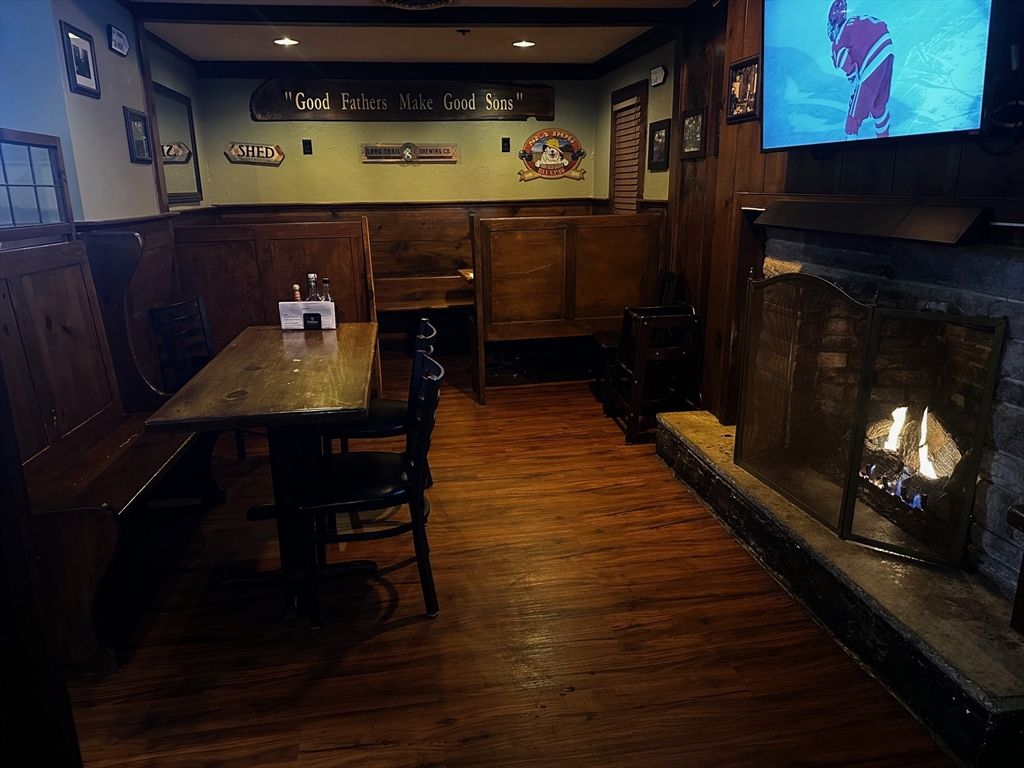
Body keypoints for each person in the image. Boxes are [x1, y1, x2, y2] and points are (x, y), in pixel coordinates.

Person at [827, 0, 894, 138]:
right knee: (878, 106)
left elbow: (843, 60)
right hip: (887, 50)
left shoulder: (838, 40)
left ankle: (849, 144)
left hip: (872, 58)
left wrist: (854, 78)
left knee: (853, 117)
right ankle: (884, 141)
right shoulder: (855, 21)